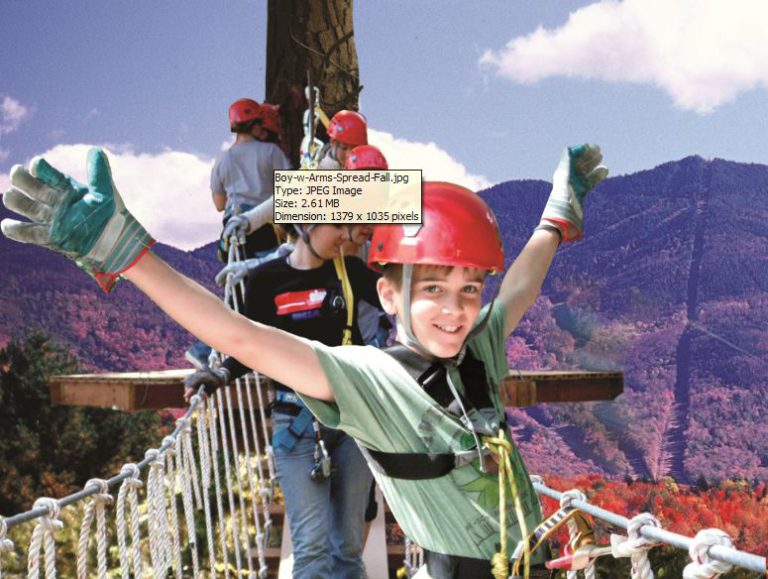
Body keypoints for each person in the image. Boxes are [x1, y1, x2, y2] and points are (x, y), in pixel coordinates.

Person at [1, 143, 607, 578]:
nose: (455, 310)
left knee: (341, 542)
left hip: (531, 553)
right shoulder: (371, 378)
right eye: (432, 290)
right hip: (456, 561)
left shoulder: (477, 350)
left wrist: (556, 217)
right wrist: (129, 256)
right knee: (322, 549)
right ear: (389, 294)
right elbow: (244, 339)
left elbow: (520, 285)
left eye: (469, 291)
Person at [185, 221, 382, 578]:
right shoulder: (264, 281)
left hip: (352, 421)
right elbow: (249, 347)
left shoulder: (352, 273)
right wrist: (220, 375)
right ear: (305, 224)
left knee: (348, 549)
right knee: (311, 548)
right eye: (337, 225)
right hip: (296, 423)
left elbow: (398, 298)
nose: (345, 235)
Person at [212, 98, 292, 261]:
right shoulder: (271, 151)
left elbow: (219, 205)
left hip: (233, 225)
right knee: (269, 271)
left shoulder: (222, 158)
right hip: (264, 223)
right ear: (255, 125)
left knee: (240, 277)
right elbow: (291, 190)